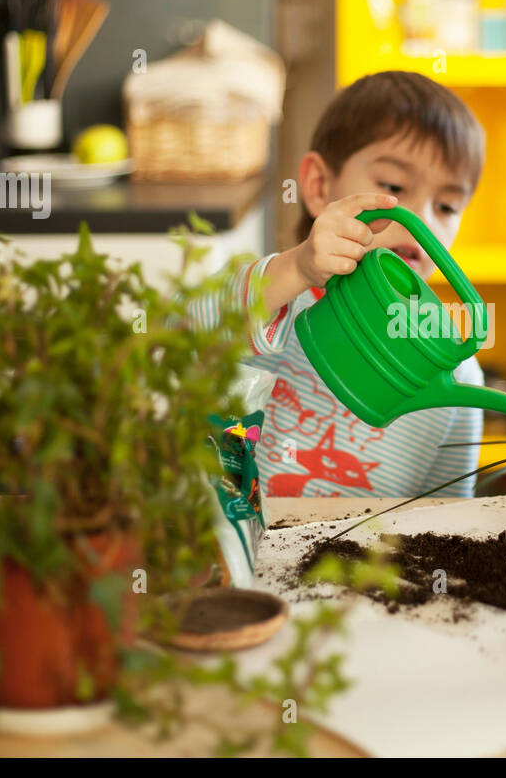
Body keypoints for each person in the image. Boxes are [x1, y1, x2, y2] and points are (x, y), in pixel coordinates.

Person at [187, 71, 486, 498]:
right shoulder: (273, 295)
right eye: (394, 186)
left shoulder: (455, 382)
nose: (423, 222)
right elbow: (184, 326)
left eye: (447, 205)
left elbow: (444, 527)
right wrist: (297, 270)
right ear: (318, 186)